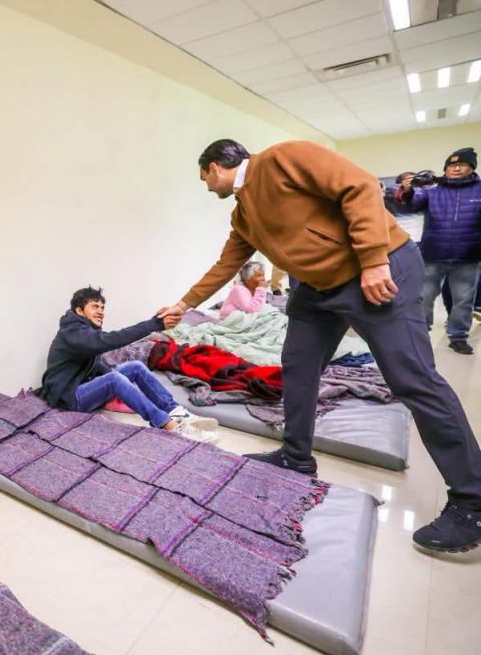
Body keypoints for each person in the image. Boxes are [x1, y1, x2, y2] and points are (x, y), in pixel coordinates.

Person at [156, 139, 481, 553]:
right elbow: (226, 266)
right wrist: (184, 305)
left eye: (204, 177)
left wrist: (373, 259)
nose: (205, 186)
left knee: (412, 378)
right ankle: (295, 456)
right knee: (297, 363)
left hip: (377, 269)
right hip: (318, 287)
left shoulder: (283, 158)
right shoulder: (243, 215)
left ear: (216, 166)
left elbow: (361, 186)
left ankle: (473, 499)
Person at [39, 286, 219, 444]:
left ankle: (176, 412)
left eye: (102, 307)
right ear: (79, 311)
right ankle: (169, 425)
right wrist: (154, 324)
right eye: (95, 306)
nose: (101, 311)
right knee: (114, 379)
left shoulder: (84, 332)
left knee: (134, 367)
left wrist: (121, 385)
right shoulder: (72, 333)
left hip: (81, 388)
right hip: (67, 398)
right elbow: (111, 340)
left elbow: (95, 365)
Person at [405, 148, 481, 354]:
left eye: (461, 165)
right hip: (433, 253)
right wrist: (408, 191)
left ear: (472, 167)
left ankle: (458, 337)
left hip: (468, 256)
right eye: (451, 165)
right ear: (445, 169)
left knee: (463, 300)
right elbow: (412, 205)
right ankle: (420, 334)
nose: (455, 169)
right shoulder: (432, 190)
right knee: (424, 296)